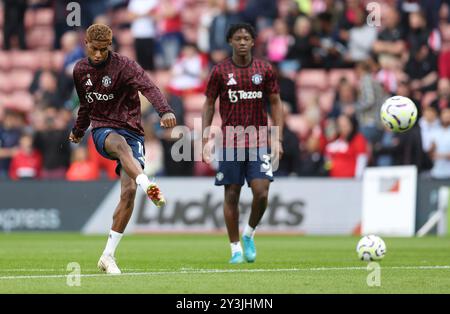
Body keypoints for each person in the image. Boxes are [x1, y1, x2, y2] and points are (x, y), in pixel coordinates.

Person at [69, 24, 176, 274]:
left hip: (133, 130)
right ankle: (146, 181)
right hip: (103, 131)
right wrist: (78, 130)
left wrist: (165, 110)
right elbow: (86, 105)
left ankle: (108, 256)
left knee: (127, 193)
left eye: (103, 50)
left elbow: (148, 86)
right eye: (94, 49)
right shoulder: (80, 70)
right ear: (86, 44)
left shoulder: (125, 66)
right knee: (119, 144)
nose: (98, 55)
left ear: (110, 46)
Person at [201, 23, 283, 264]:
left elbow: (276, 103)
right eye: (238, 38)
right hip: (230, 140)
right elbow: (208, 104)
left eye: (247, 38)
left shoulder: (265, 69)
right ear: (230, 42)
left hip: (258, 139)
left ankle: (249, 234)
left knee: (261, 192)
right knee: (232, 194)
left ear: (253, 41)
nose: (243, 42)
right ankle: (235, 248)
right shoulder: (220, 71)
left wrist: (277, 137)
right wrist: (206, 138)